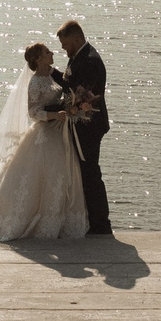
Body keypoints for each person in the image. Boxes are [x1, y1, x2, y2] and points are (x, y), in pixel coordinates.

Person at [0, 42, 88, 240]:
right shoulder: (35, 82)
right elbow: (33, 112)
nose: (52, 53)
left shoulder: (53, 74)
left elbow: (67, 89)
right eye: (47, 52)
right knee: (36, 177)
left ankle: (55, 221)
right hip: (44, 134)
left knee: (58, 177)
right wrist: (55, 116)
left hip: (58, 134)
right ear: (38, 59)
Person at [54, 17, 112, 235]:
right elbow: (71, 84)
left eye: (66, 45)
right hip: (83, 125)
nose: (64, 49)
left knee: (90, 173)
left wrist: (51, 75)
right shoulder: (79, 57)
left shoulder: (89, 61)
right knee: (86, 173)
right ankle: (92, 221)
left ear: (77, 39)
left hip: (89, 126)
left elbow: (79, 94)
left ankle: (100, 225)